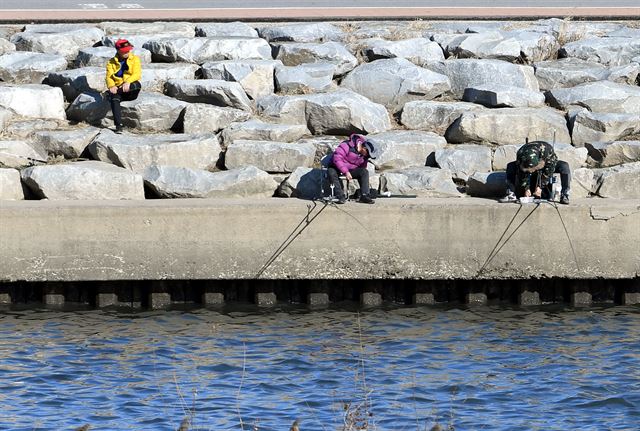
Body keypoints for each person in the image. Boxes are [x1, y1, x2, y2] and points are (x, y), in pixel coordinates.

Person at [500, 140, 571, 204]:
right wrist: (526, 188)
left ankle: (564, 195)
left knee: (564, 166)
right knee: (510, 166)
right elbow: (521, 171)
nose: (531, 171)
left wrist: (540, 187)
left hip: (547, 162)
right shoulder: (520, 154)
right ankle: (511, 195)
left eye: (532, 170)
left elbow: (549, 170)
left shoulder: (547, 152)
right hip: (528, 161)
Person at [327, 134, 376, 204]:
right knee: (331, 172)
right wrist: (346, 172)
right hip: (336, 167)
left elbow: (362, 166)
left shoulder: (364, 155)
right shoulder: (346, 145)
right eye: (368, 154)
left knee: (364, 172)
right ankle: (340, 196)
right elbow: (337, 158)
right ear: (364, 148)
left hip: (351, 170)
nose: (368, 156)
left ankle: (364, 195)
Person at [105, 39, 142, 133]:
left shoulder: (135, 59)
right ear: (118, 50)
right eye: (124, 51)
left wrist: (128, 82)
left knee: (137, 85)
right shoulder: (111, 62)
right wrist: (111, 86)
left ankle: (108, 94)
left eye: (128, 50)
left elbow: (137, 74)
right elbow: (109, 77)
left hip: (130, 90)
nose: (127, 52)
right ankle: (118, 126)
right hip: (118, 90)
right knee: (114, 99)